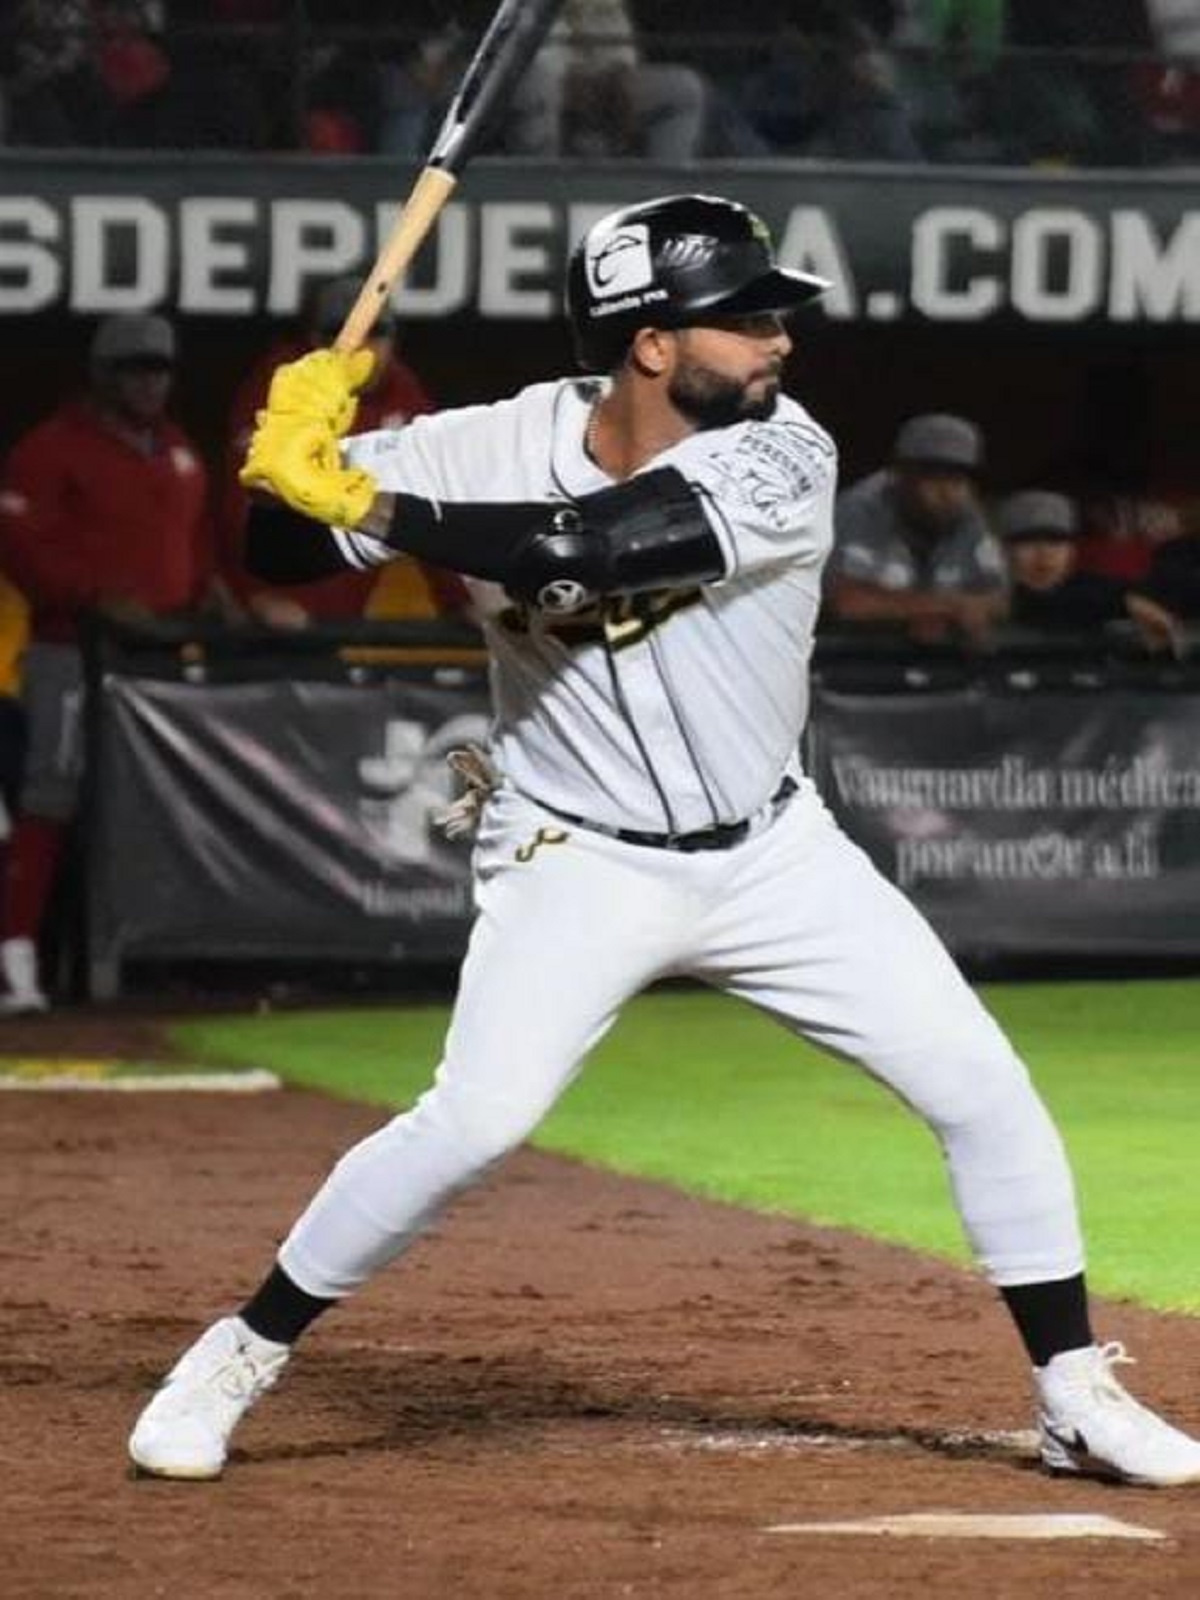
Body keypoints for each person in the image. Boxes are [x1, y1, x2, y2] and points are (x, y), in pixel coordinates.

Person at [126, 194, 1200, 1489]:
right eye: (744, 319)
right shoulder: (488, 443)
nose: (777, 342)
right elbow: (281, 550)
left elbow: (580, 557)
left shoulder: (784, 452)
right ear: (648, 342)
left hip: (774, 855)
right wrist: (288, 455)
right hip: (576, 855)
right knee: (472, 1123)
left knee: (983, 1089)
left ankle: (1073, 1393)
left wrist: (365, 491)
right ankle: (238, 1354)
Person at [0, 312, 216, 1013]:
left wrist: (208, 594)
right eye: (133, 368)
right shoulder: (50, 449)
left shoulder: (176, 449)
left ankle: (141, 964)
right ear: (100, 373)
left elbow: (193, 545)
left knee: (146, 808)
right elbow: (24, 550)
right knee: (49, 800)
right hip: (71, 652)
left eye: (159, 369)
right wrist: (95, 599)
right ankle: (16, 960)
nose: (149, 382)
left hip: (155, 657)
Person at [220, 274, 458, 626]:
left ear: (393, 340)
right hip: (272, 608)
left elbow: (432, 500)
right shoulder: (286, 384)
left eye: (375, 333)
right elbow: (240, 505)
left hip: (345, 604)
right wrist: (257, 594)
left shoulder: (404, 395)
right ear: (314, 338)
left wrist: (458, 599)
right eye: (342, 334)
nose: (362, 347)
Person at [825, 412, 1008, 646]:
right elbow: (846, 603)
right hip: (850, 658)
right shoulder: (858, 509)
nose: (947, 492)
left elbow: (1000, 599)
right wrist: (938, 609)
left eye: (957, 478)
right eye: (934, 476)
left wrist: (947, 612)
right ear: (901, 475)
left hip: (936, 661)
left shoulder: (969, 515)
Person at [506, 0, 707, 160]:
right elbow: (526, 41)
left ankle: (664, 195)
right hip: (547, 77)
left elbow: (615, 30)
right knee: (538, 83)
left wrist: (619, 71)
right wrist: (568, 78)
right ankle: (541, 192)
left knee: (684, 88)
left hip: (603, 80)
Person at [1000, 489, 1186, 654]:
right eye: (1028, 541)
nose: (1044, 553)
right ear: (1006, 550)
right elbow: (1043, 606)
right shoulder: (996, 593)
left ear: (1072, 551)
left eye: (1055, 541)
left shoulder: (1090, 585)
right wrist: (1125, 603)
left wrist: (1137, 600)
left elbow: (1130, 589)